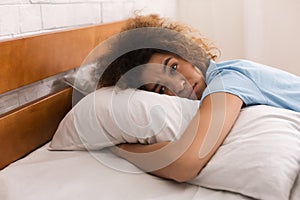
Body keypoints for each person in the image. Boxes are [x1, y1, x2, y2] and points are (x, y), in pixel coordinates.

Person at [95, 14, 300, 182]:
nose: (179, 84)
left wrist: (121, 149)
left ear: (185, 52)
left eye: (173, 67)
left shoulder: (226, 82)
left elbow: (185, 165)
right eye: (161, 89)